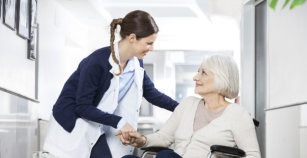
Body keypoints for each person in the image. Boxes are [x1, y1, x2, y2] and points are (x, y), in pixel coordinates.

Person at [43, 10, 178, 158]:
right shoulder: (97, 61)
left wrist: (184, 108)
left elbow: (152, 94)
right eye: (149, 43)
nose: (152, 48)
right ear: (132, 38)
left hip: (98, 125)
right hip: (75, 124)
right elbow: (82, 107)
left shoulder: (136, 63)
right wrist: (119, 122)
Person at [121, 55, 261, 158]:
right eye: (197, 71)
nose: (195, 77)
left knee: (166, 156)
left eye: (203, 73)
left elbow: (253, 155)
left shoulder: (238, 114)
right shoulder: (188, 104)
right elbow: (164, 136)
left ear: (221, 78)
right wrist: (142, 140)